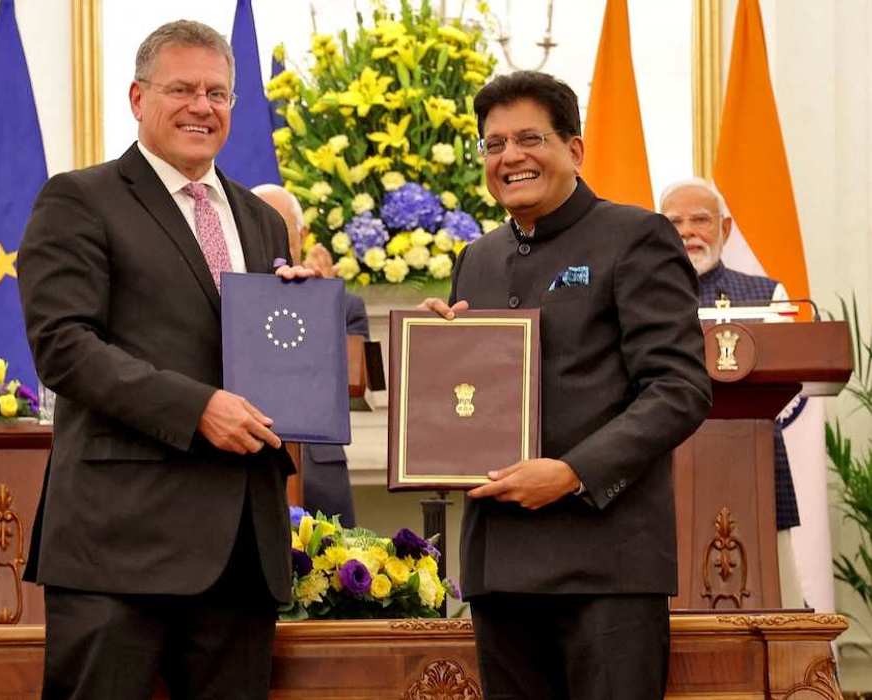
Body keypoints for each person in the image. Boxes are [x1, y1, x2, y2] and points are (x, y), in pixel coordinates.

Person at [17, 20, 310, 700]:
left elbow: (259, 353)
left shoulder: (260, 220)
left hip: (240, 550)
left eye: (217, 93)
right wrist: (196, 408)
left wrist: (296, 319)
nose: (201, 107)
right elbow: (63, 345)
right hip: (119, 545)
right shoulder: (79, 199)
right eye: (181, 89)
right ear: (136, 97)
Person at [420, 71, 712, 699]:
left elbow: (679, 387)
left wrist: (573, 472)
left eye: (530, 138)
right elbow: (467, 401)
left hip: (605, 565)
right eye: (494, 145)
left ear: (574, 150)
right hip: (501, 568)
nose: (511, 157)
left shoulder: (635, 237)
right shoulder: (479, 258)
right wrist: (440, 357)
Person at [660, 177, 803, 605]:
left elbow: (792, 390)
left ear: (724, 229)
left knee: (774, 600)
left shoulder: (766, 294)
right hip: (665, 463)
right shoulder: (637, 296)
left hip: (754, 461)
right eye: (674, 222)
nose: (687, 232)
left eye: (700, 220)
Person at [253, 183, 365, 526]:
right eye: (260, 228)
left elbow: (348, 384)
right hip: (245, 467)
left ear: (301, 234)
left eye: (280, 228)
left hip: (319, 474)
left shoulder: (345, 306)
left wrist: (321, 307)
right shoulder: (232, 304)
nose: (270, 237)